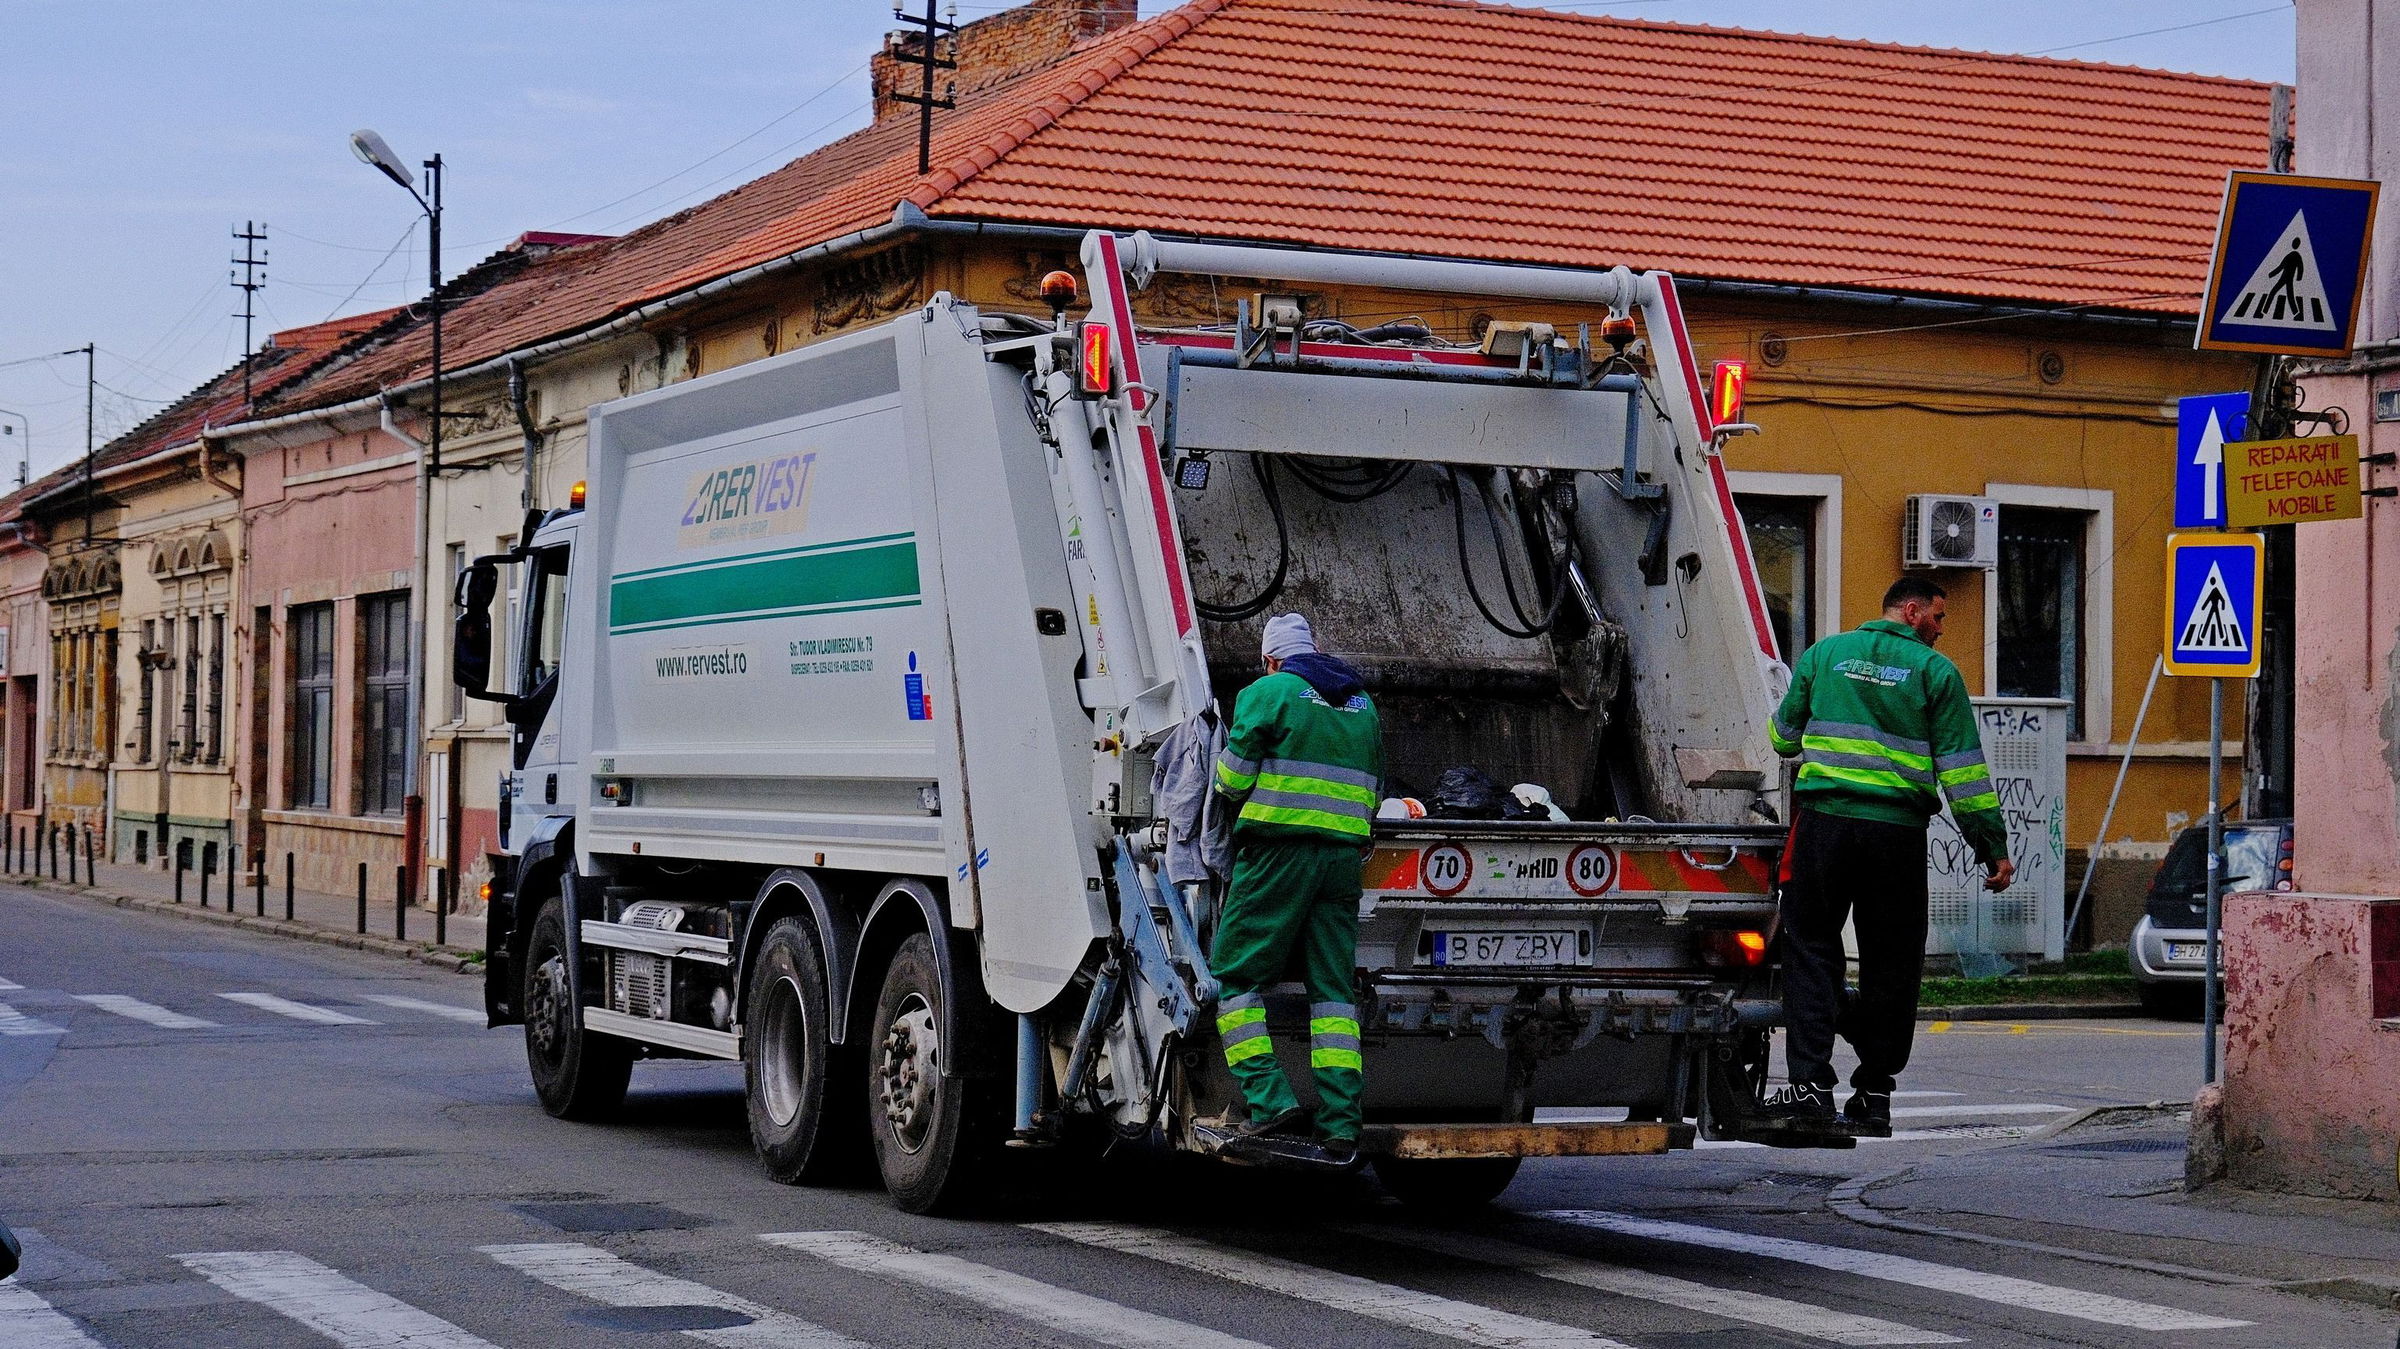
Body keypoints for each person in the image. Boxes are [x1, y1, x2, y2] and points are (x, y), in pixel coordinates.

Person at [1763, 575, 2014, 1134]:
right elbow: (1963, 773)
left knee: (1811, 949)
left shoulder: (1824, 654)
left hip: (1824, 827)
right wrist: (1990, 847)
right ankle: (1873, 1096)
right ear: (1912, 610)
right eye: (1938, 618)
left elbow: (1782, 738)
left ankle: (1810, 1091)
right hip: (1895, 837)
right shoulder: (1935, 673)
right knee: (1893, 963)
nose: (1941, 630)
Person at [1209, 612, 1383, 1165]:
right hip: (1342, 861)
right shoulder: (1362, 704)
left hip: (1278, 857)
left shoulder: (1269, 692)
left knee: (1235, 978)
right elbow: (1373, 788)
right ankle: (1341, 1125)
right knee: (1332, 994)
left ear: (1271, 660)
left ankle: (1270, 1100)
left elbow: (1231, 780)